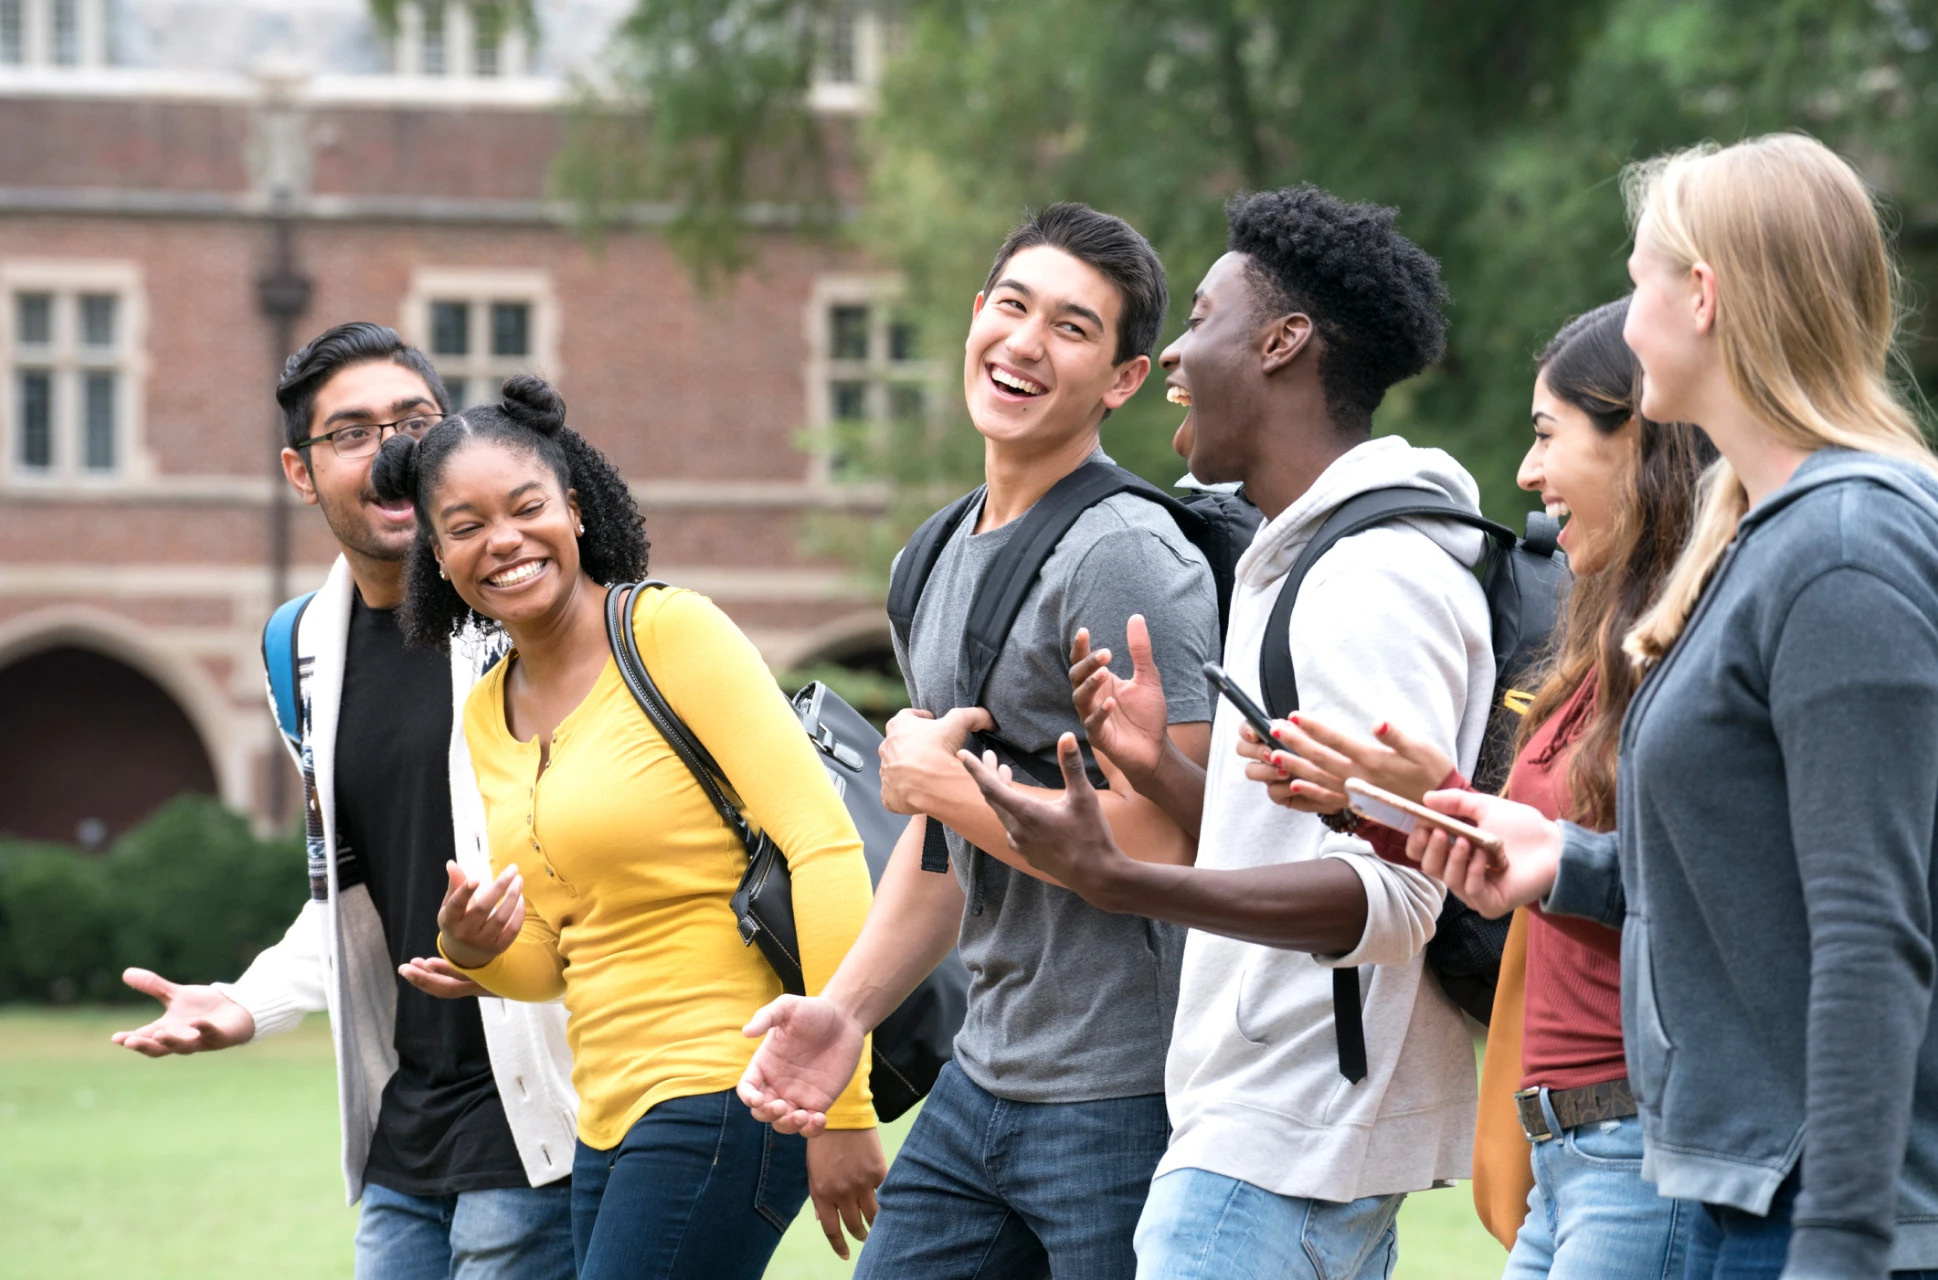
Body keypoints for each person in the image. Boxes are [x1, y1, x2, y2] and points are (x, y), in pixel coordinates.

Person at [1410, 134, 1938, 1280]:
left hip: (1812, 1215)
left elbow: (1868, 932)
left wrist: (1843, 1249)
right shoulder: (1764, 537)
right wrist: (1564, 861)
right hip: (1734, 1193)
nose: (1627, 302)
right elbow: (1762, 883)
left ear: (1701, 295)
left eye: (1640, 271)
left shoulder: (1847, 548)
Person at [959, 184, 1495, 1280]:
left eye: (1200, 318)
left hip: (1281, 1148)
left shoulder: (1371, 575)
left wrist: (1123, 879)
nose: (1170, 357)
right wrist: (1157, 765)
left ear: (1284, 341)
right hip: (1261, 1136)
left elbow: (1400, 896)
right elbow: (1320, 848)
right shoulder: (1292, 560)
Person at [736, 203, 1223, 1280]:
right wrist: (847, 1012)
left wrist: (948, 788)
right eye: (1013, 306)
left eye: (1071, 327)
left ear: (1124, 379)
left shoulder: (1127, 554)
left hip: (1124, 1095)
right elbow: (942, 851)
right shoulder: (934, 554)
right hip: (982, 1077)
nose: (1024, 343)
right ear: (974, 315)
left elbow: (1168, 842)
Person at [366, 375, 882, 1280]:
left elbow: (824, 847)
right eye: (467, 526)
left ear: (573, 509)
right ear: (438, 558)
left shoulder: (669, 632)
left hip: (737, 1082)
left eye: (526, 508)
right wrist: (476, 947)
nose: (505, 542)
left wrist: (841, 1103)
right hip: (602, 1118)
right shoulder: (488, 712)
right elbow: (555, 956)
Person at [1250, 298, 1715, 1279]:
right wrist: (1391, 803)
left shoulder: (1704, 647)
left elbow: (1706, 885)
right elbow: (1540, 868)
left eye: (1548, 435)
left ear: (1637, 438)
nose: (1528, 476)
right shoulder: (1604, 648)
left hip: (1645, 1147)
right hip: (1568, 1152)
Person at [109, 322, 578, 1280]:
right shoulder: (301, 651)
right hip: (403, 1134)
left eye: (415, 420)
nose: (394, 451)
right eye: (354, 433)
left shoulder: (525, 615)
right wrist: (247, 1005)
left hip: (542, 1118)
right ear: (299, 470)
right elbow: (352, 899)